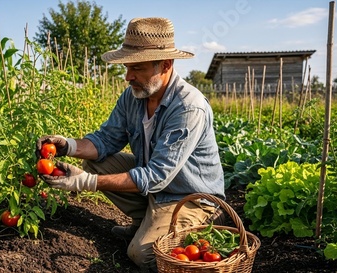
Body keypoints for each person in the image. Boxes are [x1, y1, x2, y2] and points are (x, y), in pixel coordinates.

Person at [36, 17, 225, 272]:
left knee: (143, 255)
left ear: (166, 65)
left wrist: (87, 182)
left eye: (138, 68)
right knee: (95, 161)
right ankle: (146, 221)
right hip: (156, 190)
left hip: (190, 197)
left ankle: (192, 224)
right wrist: (67, 145)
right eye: (127, 67)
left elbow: (157, 175)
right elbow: (106, 140)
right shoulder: (133, 96)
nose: (128, 76)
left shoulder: (188, 107)